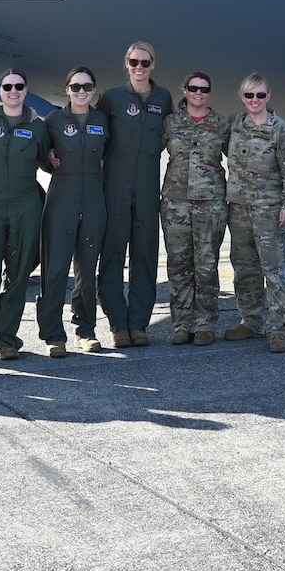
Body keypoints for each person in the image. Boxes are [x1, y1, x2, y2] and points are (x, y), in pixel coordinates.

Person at [0, 70, 48, 359]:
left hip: (25, 203)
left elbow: (49, 163)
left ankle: (4, 339)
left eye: (19, 86)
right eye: (7, 86)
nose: (13, 91)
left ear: (26, 91)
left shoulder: (38, 127)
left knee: (18, 275)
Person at [99, 41, 173, 348]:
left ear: (153, 65)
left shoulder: (163, 98)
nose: (139, 68)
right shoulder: (112, 98)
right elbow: (94, 132)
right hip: (115, 186)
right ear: (126, 63)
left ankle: (139, 324)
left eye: (145, 62)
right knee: (113, 255)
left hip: (146, 186)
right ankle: (118, 324)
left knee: (145, 256)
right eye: (134, 62)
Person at [224, 74, 285, 353]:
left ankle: (278, 327)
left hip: (270, 210)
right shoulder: (235, 125)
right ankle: (251, 321)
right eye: (249, 96)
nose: (254, 100)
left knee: (275, 269)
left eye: (260, 95)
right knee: (244, 269)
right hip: (240, 209)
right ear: (242, 97)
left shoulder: (281, 129)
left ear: (268, 97)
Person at [39, 67, 111, 354]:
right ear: (66, 89)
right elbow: (42, 155)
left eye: (87, 87)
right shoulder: (53, 120)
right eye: (76, 86)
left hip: (94, 199)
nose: (82, 91)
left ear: (94, 90)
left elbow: (110, 153)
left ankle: (86, 330)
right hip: (61, 200)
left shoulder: (102, 120)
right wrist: (48, 159)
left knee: (87, 270)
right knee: (55, 269)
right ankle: (54, 335)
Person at [160, 70, 231, 345]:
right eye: (193, 88)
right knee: (178, 266)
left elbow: (239, 158)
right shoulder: (170, 123)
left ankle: (204, 324)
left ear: (209, 93)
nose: (198, 93)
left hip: (210, 205)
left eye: (203, 89)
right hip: (175, 204)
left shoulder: (221, 124)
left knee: (206, 266)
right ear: (185, 90)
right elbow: (145, 148)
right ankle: (181, 324)